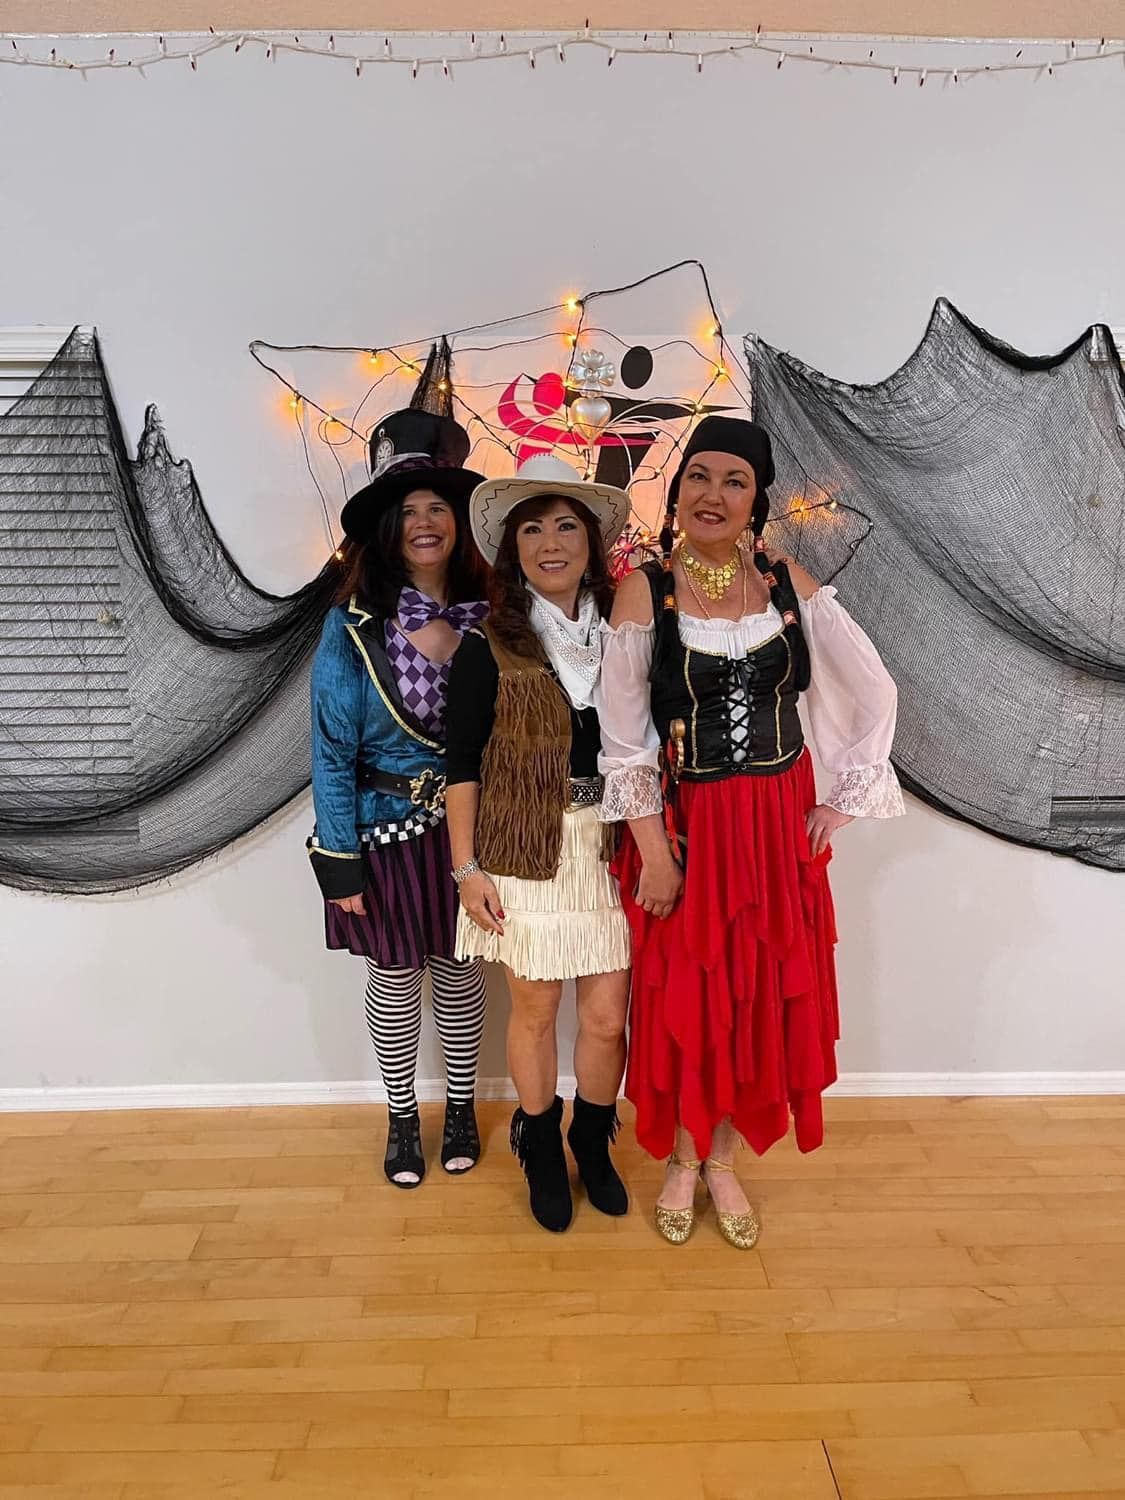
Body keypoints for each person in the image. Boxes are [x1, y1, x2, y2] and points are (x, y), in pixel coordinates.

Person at [596, 415, 904, 1247]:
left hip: (774, 823)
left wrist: (842, 795)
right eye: (699, 477)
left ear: (755, 500)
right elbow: (622, 737)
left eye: (733, 482)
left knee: (757, 994)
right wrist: (653, 852)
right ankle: (682, 1159)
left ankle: (723, 1160)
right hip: (688, 825)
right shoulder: (643, 590)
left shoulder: (782, 580)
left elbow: (872, 687)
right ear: (677, 490)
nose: (714, 495)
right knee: (687, 995)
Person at [308, 377, 491, 1190]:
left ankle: (457, 1105)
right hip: (380, 830)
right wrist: (338, 859)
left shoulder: (500, 611)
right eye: (407, 509)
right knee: (393, 975)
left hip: (471, 834)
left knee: (457, 971)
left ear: (458, 521)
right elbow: (329, 746)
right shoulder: (352, 623)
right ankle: (398, 1116)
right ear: (389, 528)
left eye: (437, 506)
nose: (423, 521)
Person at [444, 454, 632, 1233]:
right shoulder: (490, 643)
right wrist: (466, 869)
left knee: (607, 1019)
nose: (549, 542)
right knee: (534, 1007)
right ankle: (540, 1144)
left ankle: (591, 1138)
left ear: (590, 541)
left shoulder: (628, 630)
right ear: (512, 547)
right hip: (524, 852)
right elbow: (459, 763)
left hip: (610, 847)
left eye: (564, 526)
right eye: (531, 528)